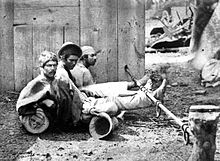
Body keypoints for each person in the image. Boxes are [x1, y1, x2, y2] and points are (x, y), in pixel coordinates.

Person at [71, 45, 151, 97]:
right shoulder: (80, 70)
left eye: (95, 55)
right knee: (111, 90)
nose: (95, 58)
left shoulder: (83, 69)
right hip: (89, 96)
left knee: (110, 86)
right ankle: (138, 93)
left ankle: (136, 84)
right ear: (84, 57)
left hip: (92, 92)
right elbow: (79, 91)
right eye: (92, 55)